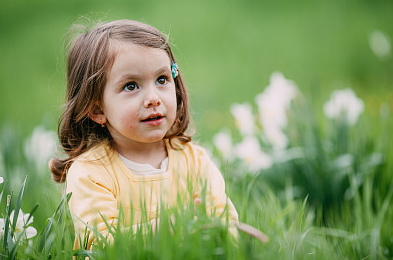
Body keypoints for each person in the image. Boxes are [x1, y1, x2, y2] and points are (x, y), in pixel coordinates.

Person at [49, 19, 239, 249]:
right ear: (97, 109)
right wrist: (172, 226)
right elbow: (100, 243)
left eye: (162, 80)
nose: (153, 98)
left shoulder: (194, 161)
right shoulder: (90, 172)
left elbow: (227, 224)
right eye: (131, 86)